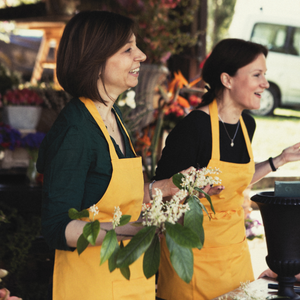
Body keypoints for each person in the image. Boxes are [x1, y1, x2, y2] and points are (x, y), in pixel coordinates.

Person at [36, 10, 188, 300]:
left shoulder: (112, 117)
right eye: (128, 49)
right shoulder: (76, 131)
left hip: (130, 281)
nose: (141, 55)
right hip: (91, 287)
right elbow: (57, 227)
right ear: (95, 61)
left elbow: (108, 192)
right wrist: (135, 231)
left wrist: (165, 188)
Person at [154, 38, 300, 300]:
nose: (265, 84)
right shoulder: (193, 129)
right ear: (227, 79)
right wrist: (192, 194)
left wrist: (279, 160)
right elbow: (160, 194)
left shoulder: (247, 125)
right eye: (257, 75)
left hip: (234, 256)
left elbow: (235, 181)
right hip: (192, 261)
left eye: (264, 75)